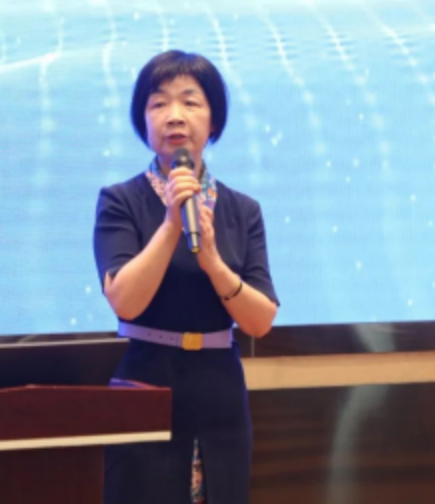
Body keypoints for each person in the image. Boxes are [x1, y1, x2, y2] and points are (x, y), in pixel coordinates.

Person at [93, 49, 279, 504]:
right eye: (158, 103)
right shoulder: (120, 201)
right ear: (143, 120)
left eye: (190, 101)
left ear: (213, 120)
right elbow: (125, 301)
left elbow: (259, 321)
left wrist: (213, 261)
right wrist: (171, 225)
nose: (174, 115)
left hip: (220, 395)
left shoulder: (243, 210)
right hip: (143, 387)